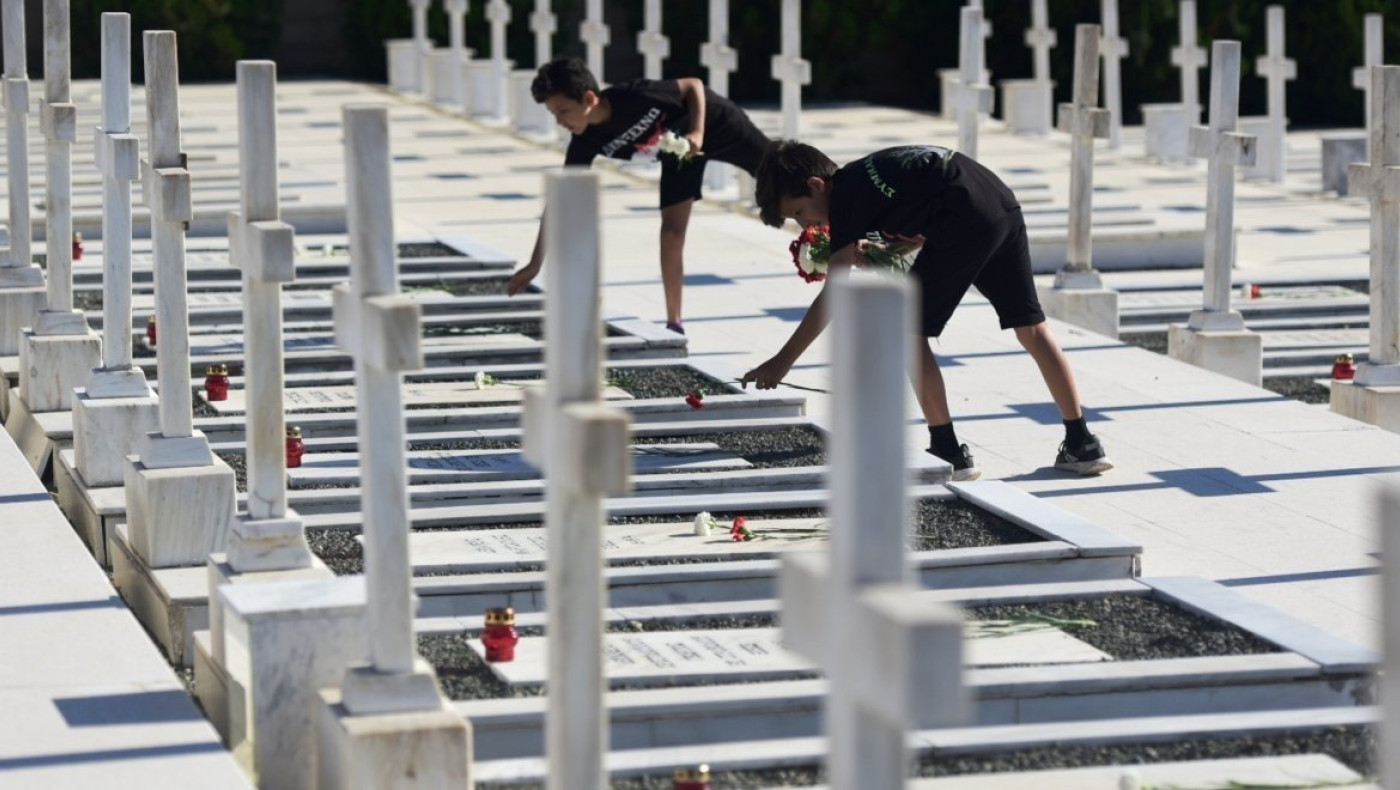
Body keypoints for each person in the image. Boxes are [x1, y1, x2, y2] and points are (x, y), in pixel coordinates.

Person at [741, 140, 1112, 480]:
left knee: (907, 333)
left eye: (801, 213)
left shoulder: (846, 197)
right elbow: (917, 231)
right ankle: (1082, 442)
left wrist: (783, 360)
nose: (807, 224)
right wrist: (879, 258)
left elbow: (836, 292)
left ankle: (948, 451)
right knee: (1031, 327)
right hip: (1000, 206)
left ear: (817, 185)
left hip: (962, 219)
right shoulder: (865, 174)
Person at [506, 57, 770, 334]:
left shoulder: (634, 95)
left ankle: (818, 232)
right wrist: (535, 264)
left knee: (779, 171)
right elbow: (561, 200)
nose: (560, 121)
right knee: (671, 234)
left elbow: (693, 86)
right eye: (554, 115)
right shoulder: (585, 141)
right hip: (679, 154)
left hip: (715, 123)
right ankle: (674, 323)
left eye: (563, 111)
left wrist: (697, 131)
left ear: (589, 98)